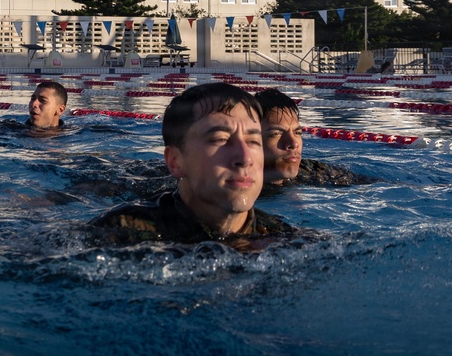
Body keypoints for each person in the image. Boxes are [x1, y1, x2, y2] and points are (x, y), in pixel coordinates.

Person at [89, 82, 296, 248]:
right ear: (175, 162)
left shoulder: (283, 239)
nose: (245, 157)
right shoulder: (118, 234)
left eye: (253, 141)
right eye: (220, 139)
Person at [255, 88, 376, 189]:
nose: (293, 143)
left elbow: (372, 184)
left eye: (297, 132)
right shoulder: (240, 195)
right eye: (276, 133)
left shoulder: (311, 171)